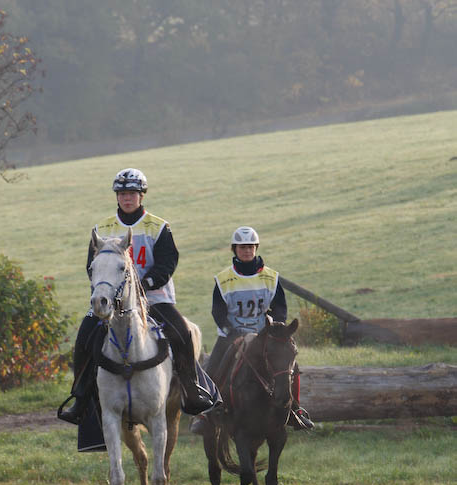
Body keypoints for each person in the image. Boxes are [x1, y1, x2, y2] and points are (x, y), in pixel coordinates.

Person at [58, 168, 215, 426]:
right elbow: (92, 266)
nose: (127, 198)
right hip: (112, 301)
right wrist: (104, 291)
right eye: (122, 194)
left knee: (182, 334)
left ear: (141, 196)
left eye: (132, 193)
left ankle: (192, 389)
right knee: (84, 336)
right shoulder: (102, 228)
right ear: (117, 197)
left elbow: (167, 262)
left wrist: (145, 283)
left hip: (155, 298)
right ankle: (81, 395)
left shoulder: (159, 226)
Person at [190, 225, 313, 433]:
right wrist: (230, 330)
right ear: (235, 250)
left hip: (265, 335)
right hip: (232, 334)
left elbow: (280, 307)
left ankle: (295, 410)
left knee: (291, 365)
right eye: (242, 247)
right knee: (212, 368)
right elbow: (218, 311)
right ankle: (205, 413)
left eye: (250, 247)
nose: (246, 251)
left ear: (256, 248)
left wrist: (277, 328)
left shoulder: (271, 277)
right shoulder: (223, 279)